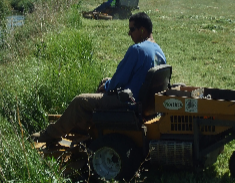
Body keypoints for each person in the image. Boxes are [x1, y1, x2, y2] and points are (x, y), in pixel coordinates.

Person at [33, 12, 166, 147]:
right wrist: (108, 82)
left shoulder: (137, 50)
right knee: (104, 82)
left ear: (142, 30)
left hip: (129, 103)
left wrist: (106, 86)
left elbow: (117, 81)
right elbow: (138, 76)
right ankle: (84, 128)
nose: (129, 34)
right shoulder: (158, 51)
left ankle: (50, 135)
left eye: (132, 29)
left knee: (80, 101)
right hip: (146, 103)